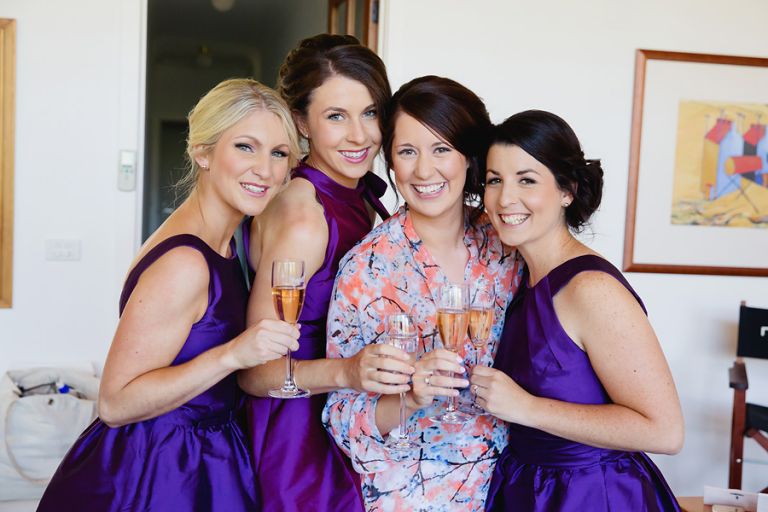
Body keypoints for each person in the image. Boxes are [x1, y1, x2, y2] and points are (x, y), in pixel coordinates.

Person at [37, 79, 302, 511]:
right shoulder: (186, 262)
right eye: (245, 147)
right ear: (203, 152)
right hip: (156, 471)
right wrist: (233, 355)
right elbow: (115, 403)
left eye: (278, 153)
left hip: (203, 457)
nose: (266, 170)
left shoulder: (226, 242)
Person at [323, 75, 523, 511]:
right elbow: (342, 418)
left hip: (512, 486)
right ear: (391, 163)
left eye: (441, 149)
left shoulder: (508, 246)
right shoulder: (366, 268)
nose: (424, 170)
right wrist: (410, 397)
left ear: (470, 159)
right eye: (408, 152)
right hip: (414, 496)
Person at [474, 110, 684, 511]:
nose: (505, 198)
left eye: (527, 180)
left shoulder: (591, 289)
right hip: (527, 489)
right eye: (495, 180)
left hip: (591, 495)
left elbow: (666, 432)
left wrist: (528, 409)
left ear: (567, 190)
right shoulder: (520, 276)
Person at [236, 34, 396, 512]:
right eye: (336, 117)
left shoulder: (360, 195)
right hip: (298, 434)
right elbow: (255, 369)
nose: (360, 136)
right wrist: (349, 372)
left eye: (370, 113)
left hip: (348, 412)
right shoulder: (306, 217)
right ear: (301, 122)